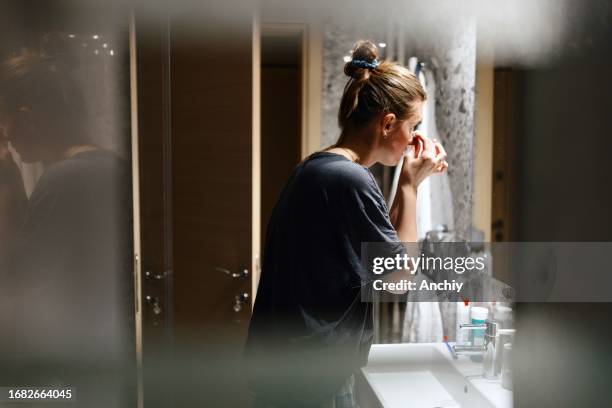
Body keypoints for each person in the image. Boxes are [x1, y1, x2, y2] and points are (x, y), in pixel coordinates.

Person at [245, 40, 448, 407]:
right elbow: (398, 275)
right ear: (388, 124)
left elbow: (377, 250)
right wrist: (407, 187)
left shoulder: (317, 168)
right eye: (413, 125)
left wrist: (411, 183)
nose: (414, 139)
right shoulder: (349, 179)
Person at [0, 48, 135, 407]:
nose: (5, 133)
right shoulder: (111, 165)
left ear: (27, 118)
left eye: (5, 118)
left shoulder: (65, 179)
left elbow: (20, 284)